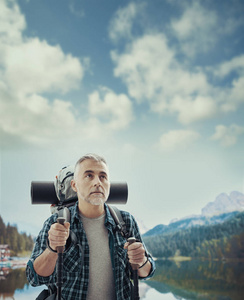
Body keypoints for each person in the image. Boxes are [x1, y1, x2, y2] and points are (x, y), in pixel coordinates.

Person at [26, 154, 155, 300]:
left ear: (108, 184)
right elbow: (34, 277)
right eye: (89, 175)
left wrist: (141, 260)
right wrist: (52, 249)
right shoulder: (56, 222)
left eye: (103, 176)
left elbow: (147, 272)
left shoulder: (125, 221)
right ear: (74, 185)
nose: (97, 182)